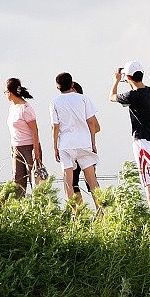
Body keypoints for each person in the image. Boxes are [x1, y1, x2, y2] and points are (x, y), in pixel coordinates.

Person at [109, 60, 150, 209]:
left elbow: (112, 97)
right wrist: (128, 80)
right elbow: (136, 91)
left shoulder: (132, 95)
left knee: (147, 180)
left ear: (129, 77)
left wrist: (116, 81)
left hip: (141, 140)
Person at [49, 72, 101, 203]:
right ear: (72, 84)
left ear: (57, 87)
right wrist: (93, 143)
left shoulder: (54, 102)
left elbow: (55, 126)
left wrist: (55, 147)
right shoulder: (84, 99)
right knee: (92, 180)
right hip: (84, 142)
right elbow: (91, 122)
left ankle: (76, 214)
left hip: (66, 145)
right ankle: (101, 210)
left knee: (68, 181)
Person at [4, 77, 43, 197]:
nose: (5, 94)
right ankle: (19, 207)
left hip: (29, 146)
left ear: (10, 92)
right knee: (18, 179)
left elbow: (35, 130)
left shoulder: (25, 108)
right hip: (16, 147)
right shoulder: (12, 107)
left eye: (6, 91)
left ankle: (39, 205)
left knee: (35, 179)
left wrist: (35, 150)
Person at [70, 81, 99, 201]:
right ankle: (80, 214)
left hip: (84, 147)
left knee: (91, 181)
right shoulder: (68, 108)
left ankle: (101, 212)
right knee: (73, 182)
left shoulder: (83, 105)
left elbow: (96, 126)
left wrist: (89, 137)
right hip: (72, 147)